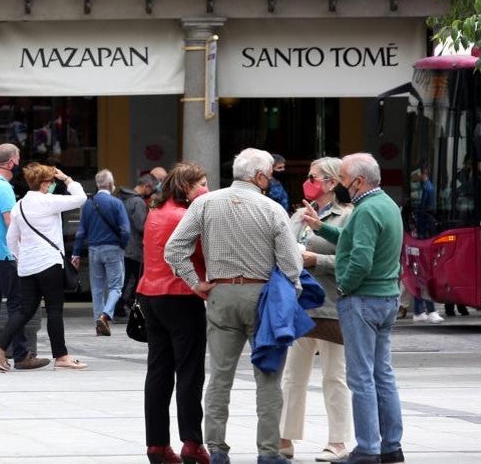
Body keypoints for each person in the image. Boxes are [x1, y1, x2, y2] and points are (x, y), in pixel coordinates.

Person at [164, 148, 303, 464]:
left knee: (220, 376)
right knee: (268, 378)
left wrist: (195, 282)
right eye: (268, 173)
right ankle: (268, 452)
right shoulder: (271, 209)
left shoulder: (204, 203)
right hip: (262, 297)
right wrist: (290, 296)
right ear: (259, 176)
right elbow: (291, 263)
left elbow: (174, 250)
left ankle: (217, 449)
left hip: (221, 294)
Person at [299, 154, 406, 464]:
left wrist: (344, 287)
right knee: (382, 375)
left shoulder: (365, 210)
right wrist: (322, 228)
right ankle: (391, 446)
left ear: (359, 181)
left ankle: (368, 449)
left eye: (344, 178)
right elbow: (351, 238)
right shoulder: (386, 205)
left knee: (360, 378)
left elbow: (360, 257)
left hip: (363, 299)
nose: (342, 184)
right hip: (386, 297)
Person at [279, 157, 353, 463]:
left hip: (332, 305)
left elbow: (352, 262)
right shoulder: (298, 214)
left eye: (314, 176)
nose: (308, 181)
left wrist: (315, 260)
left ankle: (338, 441)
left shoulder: (347, 217)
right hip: (299, 305)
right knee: (292, 374)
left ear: (332, 183)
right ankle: (283, 437)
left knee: (335, 375)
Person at [137, 162, 211, 464]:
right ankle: (192, 442)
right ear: (186, 187)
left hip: (151, 295)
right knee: (190, 372)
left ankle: (156, 445)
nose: (206, 189)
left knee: (158, 372)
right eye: (202, 183)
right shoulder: (186, 216)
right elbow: (204, 253)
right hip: (182, 296)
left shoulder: (154, 212)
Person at [0, 163, 88, 372]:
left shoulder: (19, 205)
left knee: (24, 310)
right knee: (54, 310)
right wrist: (67, 178)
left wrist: (21, 257)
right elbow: (81, 198)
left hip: (27, 266)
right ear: (44, 184)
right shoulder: (48, 201)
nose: (52, 185)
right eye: (50, 182)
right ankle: (61, 356)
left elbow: (11, 238)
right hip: (49, 263)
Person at [0, 144, 48, 371]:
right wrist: (22, 251)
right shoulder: (3, 188)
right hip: (1, 254)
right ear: (11, 161)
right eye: (18, 158)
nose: (19, 162)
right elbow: (11, 223)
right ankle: (22, 355)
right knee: (19, 303)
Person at [74, 169, 131, 336]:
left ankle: (98, 324)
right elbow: (125, 230)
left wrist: (76, 253)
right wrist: (122, 245)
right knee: (115, 287)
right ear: (111, 184)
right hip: (113, 248)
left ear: (97, 185)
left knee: (97, 289)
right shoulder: (116, 203)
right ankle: (105, 316)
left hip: (93, 250)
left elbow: (80, 232)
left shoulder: (88, 204)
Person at [116, 173, 157, 314]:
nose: (151, 193)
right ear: (146, 187)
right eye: (151, 189)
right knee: (137, 279)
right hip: (135, 249)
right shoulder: (138, 202)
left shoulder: (122, 198)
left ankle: (118, 308)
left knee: (124, 279)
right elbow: (142, 226)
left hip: (123, 246)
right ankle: (129, 307)